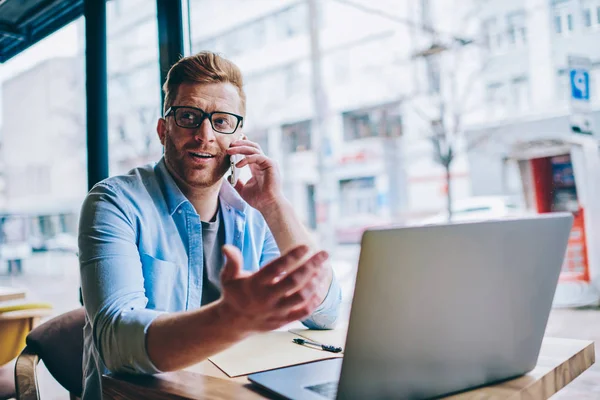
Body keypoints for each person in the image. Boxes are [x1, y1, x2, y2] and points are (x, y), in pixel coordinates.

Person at [78, 51, 342, 399]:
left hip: (225, 391)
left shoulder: (254, 213)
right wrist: (232, 318)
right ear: (163, 129)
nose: (204, 135)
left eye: (221, 121)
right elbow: (116, 342)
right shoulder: (113, 203)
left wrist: (274, 206)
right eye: (188, 117)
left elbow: (325, 313)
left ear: (239, 136)